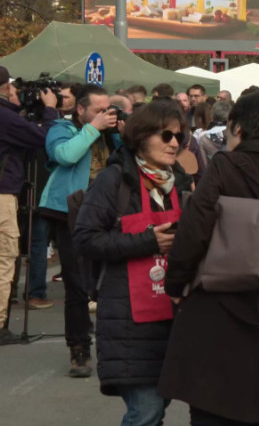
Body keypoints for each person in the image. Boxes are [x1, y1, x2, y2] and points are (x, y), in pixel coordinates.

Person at [159, 93, 259, 425]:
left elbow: (194, 228)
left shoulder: (226, 165)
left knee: (217, 406)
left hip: (222, 305)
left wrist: (176, 283)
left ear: (238, 129)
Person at [74, 100, 191, 425]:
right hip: (129, 319)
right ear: (141, 137)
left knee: (156, 409)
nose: (173, 143)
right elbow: (84, 238)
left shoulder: (175, 183)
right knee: (146, 411)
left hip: (170, 315)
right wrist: (147, 241)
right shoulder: (114, 180)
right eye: (165, 135)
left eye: (179, 137)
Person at [38, 83, 118, 377]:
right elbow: (65, 156)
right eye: (98, 110)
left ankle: (113, 344)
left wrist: (119, 131)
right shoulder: (61, 128)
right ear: (80, 109)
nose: (104, 114)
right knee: (76, 283)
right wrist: (93, 128)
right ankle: (79, 348)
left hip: (107, 212)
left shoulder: (111, 133)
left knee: (110, 281)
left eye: (106, 109)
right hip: (69, 212)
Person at [0, 66, 60, 340]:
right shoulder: (4, 117)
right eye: (13, 88)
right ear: (4, 88)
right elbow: (43, 139)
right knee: (4, 257)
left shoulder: (8, 116)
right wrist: (49, 110)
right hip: (3, 195)